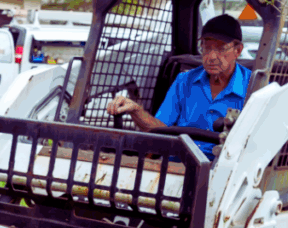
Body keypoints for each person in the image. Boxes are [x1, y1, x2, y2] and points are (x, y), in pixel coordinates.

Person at [105, 14, 251, 159]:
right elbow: (159, 130)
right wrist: (135, 109)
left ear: (237, 50)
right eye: (206, 48)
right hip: (177, 165)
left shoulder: (255, 87)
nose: (211, 56)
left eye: (220, 49)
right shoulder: (184, 81)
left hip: (225, 171)